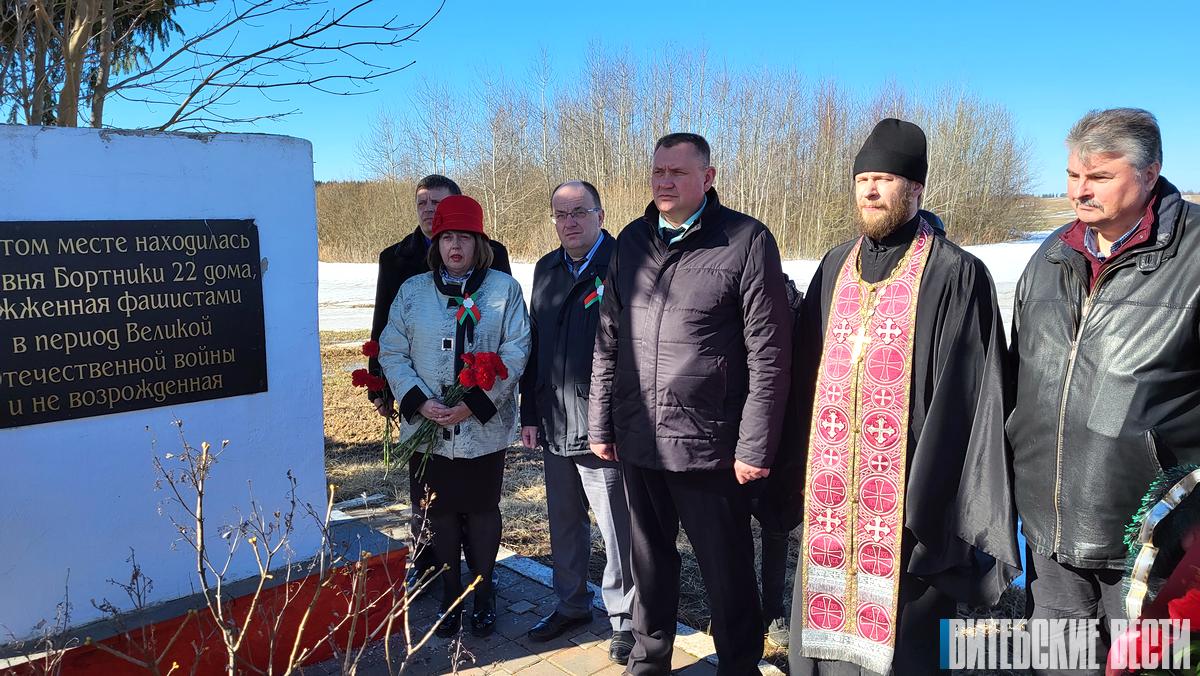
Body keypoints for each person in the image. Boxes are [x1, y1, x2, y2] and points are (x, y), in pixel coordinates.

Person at [787, 118, 1021, 675]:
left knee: (906, 649)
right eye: (862, 179)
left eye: (885, 179)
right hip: (830, 500)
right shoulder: (833, 266)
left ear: (916, 189)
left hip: (910, 502)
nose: (870, 190)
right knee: (817, 645)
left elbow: (970, 401)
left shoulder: (956, 274)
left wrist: (928, 499)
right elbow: (803, 375)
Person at [589, 132, 793, 675]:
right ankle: (648, 658)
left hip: (711, 444)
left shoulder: (745, 240)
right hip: (639, 436)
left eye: (677, 173)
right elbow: (609, 338)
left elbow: (769, 354)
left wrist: (755, 446)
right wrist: (600, 421)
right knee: (650, 565)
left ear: (708, 177)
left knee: (726, 571)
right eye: (657, 171)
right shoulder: (631, 241)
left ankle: (738, 663)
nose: (663, 181)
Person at [1008, 108, 1200, 674]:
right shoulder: (1052, 255)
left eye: (1098, 176)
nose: (1079, 191)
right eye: (1072, 175)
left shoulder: (1193, 257)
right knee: (1059, 663)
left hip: (1153, 539)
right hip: (1051, 527)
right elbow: (1023, 375)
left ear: (1150, 172)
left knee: (1147, 666)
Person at [378, 195, 531, 638]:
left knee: (482, 511)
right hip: (429, 430)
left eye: (464, 236)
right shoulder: (412, 293)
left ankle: (482, 593)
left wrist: (476, 403)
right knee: (440, 514)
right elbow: (393, 351)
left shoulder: (503, 290)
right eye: (447, 237)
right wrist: (419, 402)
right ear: (437, 243)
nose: (455, 246)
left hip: (483, 428)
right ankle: (450, 592)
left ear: (479, 242)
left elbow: (516, 349)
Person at [366, 174, 511, 576]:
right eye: (424, 204)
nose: (431, 212)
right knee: (430, 505)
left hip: (478, 416)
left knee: (478, 506)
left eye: (439, 204)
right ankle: (436, 577)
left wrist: (473, 402)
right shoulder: (401, 266)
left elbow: (510, 341)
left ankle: (481, 584)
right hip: (422, 403)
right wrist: (395, 390)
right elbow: (386, 330)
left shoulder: (496, 270)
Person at [517, 180, 637, 664]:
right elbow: (535, 346)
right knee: (564, 523)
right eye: (560, 214)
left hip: (603, 426)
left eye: (578, 212)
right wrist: (529, 412)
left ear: (600, 214)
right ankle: (570, 604)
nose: (569, 222)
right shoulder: (546, 269)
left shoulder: (624, 263)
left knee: (617, 530)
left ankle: (626, 620)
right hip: (552, 419)